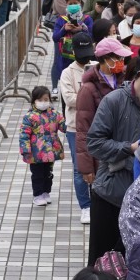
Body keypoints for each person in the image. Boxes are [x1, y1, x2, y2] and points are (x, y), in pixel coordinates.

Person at [85, 41, 140, 266]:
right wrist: (128, 148)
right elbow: (93, 143)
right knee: (102, 265)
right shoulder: (114, 101)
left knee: (138, 265)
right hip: (110, 195)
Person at [75, 36, 128, 224]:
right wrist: (86, 167)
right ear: (106, 59)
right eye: (118, 58)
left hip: (122, 151)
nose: (122, 63)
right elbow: (83, 130)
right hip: (101, 156)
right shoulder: (88, 90)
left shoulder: (124, 83)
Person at [58, 32, 94, 221]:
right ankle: (85, 206)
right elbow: (69, 99)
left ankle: (97, 202)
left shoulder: (96, 69)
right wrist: (90, 97)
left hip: (97, 124)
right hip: (74, 126)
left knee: (98, 164)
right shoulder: (68, 73)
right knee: (79, 167)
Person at [19, 85, 66, 207]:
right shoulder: (29, 117)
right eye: (40, 100)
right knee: (37, 174)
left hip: (50, 150)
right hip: (36, 152)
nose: (43, 102)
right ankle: (38, 194)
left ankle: (46, 192)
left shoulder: (55, 114)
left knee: (48, 173)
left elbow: (63, 126)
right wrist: (25, 149)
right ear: (34, 100)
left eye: (46, 99)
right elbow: (24, 134)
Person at [52, 0, 93, 91]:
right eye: (70, 4)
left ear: (80, 3)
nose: (73, 5)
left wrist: (82, 29)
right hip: (65, 58)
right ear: (66, 4)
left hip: (82, 57)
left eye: (75, 3)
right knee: (67, 85)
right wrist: (64, 29)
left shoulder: (87, 19)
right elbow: (55, 38)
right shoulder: (61, 20)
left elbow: (92, 37)